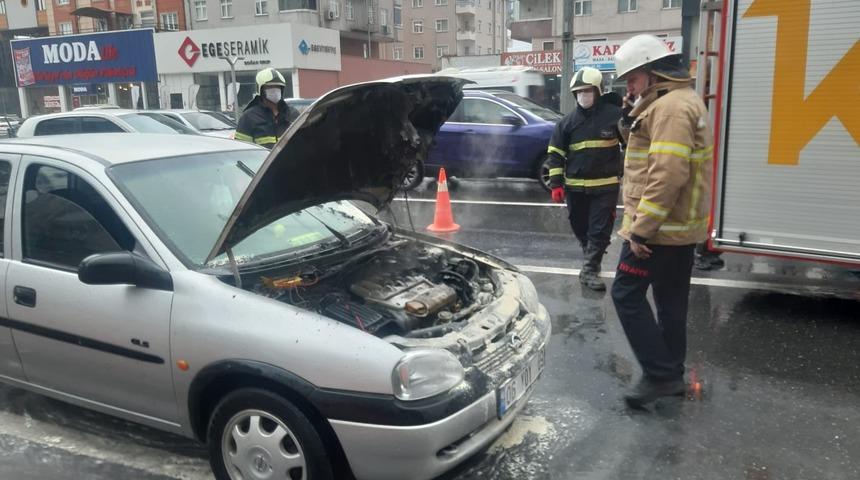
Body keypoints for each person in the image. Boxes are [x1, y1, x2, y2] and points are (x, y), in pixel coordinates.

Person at [610, 34, 714, 408]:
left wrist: (641, 230)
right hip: (677, 228)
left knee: (625, 294)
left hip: (658, 230)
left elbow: (667, 174)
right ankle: (671, 372)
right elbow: (645, 146)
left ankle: (660, 375)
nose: (629, 86)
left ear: (653, 73)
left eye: (632, 78)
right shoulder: (675, 101)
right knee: (671, 304)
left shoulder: (670, 108)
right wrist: (630, 117)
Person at [546, 67, 624, 291]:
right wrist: (556, 185)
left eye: (587, 90)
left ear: (598, 91)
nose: (583, 95)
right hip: (575, 188)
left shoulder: (614, 115)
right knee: (580, 227)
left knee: (599, 229)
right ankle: (591, 254)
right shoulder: (567, 123)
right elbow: (555, 154)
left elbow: (631, 142)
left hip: (605, 187)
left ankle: (589, 270)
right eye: (579, 92)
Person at [234, 68, 296, 149]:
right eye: (270, 87)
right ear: (261, 90)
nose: (275, 91)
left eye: (278, 87)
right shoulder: (249, 117)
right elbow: (241, 148)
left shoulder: (292, 114)